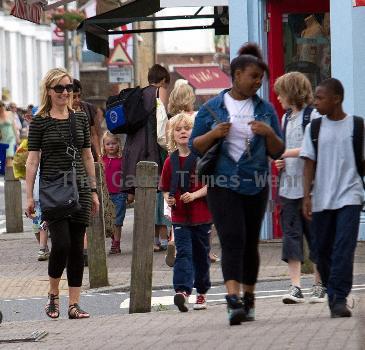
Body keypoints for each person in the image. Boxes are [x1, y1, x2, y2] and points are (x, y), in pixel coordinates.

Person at [190, 43, 284, 325]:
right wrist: (214, 133)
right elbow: (195, 146)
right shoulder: (212, 107)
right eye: (253, 76)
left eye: (260, 78)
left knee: (250, 243)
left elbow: (278, 151)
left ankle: (249, 297)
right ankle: (233, 301)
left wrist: (268, 133)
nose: (258, 82)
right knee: (232, 239)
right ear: (237, 74)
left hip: (255, 183)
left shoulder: (265, 110)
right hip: (222, 184)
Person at [26, 68, 99, 319]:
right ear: (49, 90)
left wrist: (93, 189)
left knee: (78, 248)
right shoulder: (40, 121)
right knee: (62, 244)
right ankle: (53, 294)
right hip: (53, 189)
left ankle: (74, 304)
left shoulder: (79, 118)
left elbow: (87, 155)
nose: (65, 92)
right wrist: (28, 196)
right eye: (59, 88)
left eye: (68, 87)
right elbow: (32, 161)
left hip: (80, 188)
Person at [301, 78, 364, 318]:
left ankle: (338, 298)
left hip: (350, 196)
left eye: (320, 98)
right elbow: (308, 163)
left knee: (343, 248)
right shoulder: (315, 128)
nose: (315, 102)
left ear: (336, 99)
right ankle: (333, 291)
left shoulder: (357, 126)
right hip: (322, 198)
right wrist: (306, 196)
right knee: (321, 250)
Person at [273, 72, 326, 304]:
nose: (278, 98)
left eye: (280, 93)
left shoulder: (312, 116)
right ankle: (295, 287)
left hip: (310, 188)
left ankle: (319, 285)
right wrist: (279, 161)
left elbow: (312, 147)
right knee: (291, 237)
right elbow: (287, 147)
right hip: (288, 187)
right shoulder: (286, 119)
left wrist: (284, 152)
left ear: (292, 92)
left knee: (315, 236)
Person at [159, 112, 212, 312]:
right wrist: (168, 198)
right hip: (180, 216)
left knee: (201, 255)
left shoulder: (201, 158)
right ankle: (182, 291)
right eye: (178, 129)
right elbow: (164, 187)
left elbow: (210, 185)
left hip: (202, 215)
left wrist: (195, 195)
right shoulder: (169, 161)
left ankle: (202, 293)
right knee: (183, 253)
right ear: (173, 135)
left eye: (187, 129)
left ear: (195, 132)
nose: (183, 132)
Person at [121, 64, 171, 252]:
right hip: (151, 149)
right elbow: (161, 124)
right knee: (154, 196)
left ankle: (147, 241)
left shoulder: (139, 94)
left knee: (141, 197)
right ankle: (155, 240)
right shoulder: (159, 92)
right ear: (163, 80)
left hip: (133, 148)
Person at [102, 131, 127, 254]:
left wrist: (129, 192)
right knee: (108, 220)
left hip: (119, 194)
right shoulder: (101, 160)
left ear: (118, 144)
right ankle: (113, 239)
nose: (111, 146)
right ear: (104, 145)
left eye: (113, 143)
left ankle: (116, 244)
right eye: (108, 144)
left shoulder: (122, 160)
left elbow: (127, 177)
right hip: (105, 195)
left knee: (117, 221)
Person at [0, 101, 19, 167]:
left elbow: (14, 127)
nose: (2, 109)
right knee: (3, 158)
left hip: (11, 138)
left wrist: (17, 138)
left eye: (2, 107)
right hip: (2, 140)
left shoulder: (9, 113)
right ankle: (6, 173)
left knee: (9, 156)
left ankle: (10, 175)